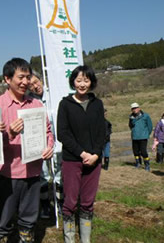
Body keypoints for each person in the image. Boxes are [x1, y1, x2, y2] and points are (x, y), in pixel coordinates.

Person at [0, 58, 54, 243]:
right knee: (3, 220)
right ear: (7, 79)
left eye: (28, 77)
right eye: (21, 77)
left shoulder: (36, 105)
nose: (26, 82)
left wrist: (49, 146)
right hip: (7, 174)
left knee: (28, 219)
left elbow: (48, 131)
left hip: (32, 171)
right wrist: (8, 133)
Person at [57, 65, 105, 243]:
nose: (82, 84)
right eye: (78, 80)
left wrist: (96, 154)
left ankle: (86, 239)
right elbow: (63, 133)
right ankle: (69, 239)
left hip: (94, 161)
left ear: (91, 82)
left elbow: (103, 131)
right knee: (70, 201)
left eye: (86, 80)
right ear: (73, 82)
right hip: (72, 160)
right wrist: (82, 153)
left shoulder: (97, 104)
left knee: (87, 202)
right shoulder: (65, 104)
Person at [28, 71, 63, 219]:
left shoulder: (53, 94)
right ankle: (44, 205)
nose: (36, 86)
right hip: (39, 143)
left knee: (59, 173)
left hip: (57, 141)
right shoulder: (29, 101)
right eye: (31, 85)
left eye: (36, 82)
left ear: (41, 80)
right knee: (42, 174)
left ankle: (60, 203)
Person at [128, 102, 153, 171]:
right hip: (134, 137)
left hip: (143, 137)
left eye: (135, 108)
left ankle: (147, 165)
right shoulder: (131, 117)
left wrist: (147, 134)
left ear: (139, 108)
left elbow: (150, 126)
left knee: (143, 152)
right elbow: (130, 126)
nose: (134, 109)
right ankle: (138, 163)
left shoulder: (146, 116)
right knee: (135, 151)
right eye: (133, 108)